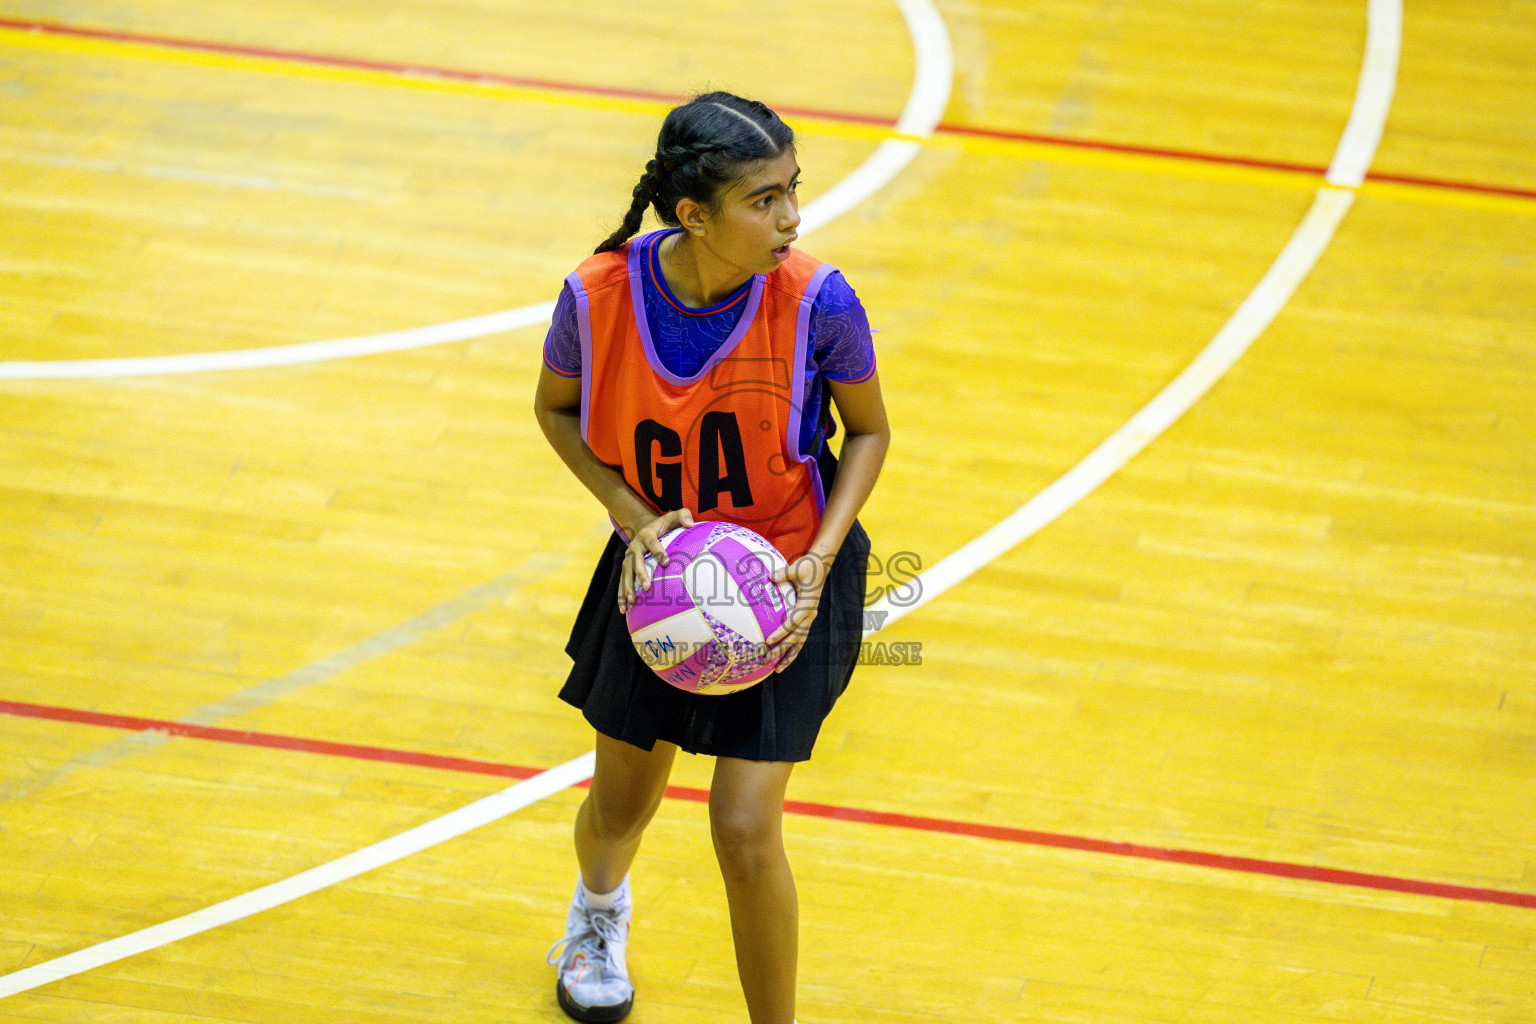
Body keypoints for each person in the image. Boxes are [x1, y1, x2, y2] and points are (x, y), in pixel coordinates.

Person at [533, 91, 890, 1024]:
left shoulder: (819, 299)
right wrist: (623, 508)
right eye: (764, 200)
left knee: (741, 822)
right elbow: (555, 411)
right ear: (694, 215)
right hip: (662, 574)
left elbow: (870, 435)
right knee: (620, 801)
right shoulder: (595, 297)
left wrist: (819, 557)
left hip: (785, 573)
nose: (792, 217)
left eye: (792, 191)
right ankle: (597, 913)